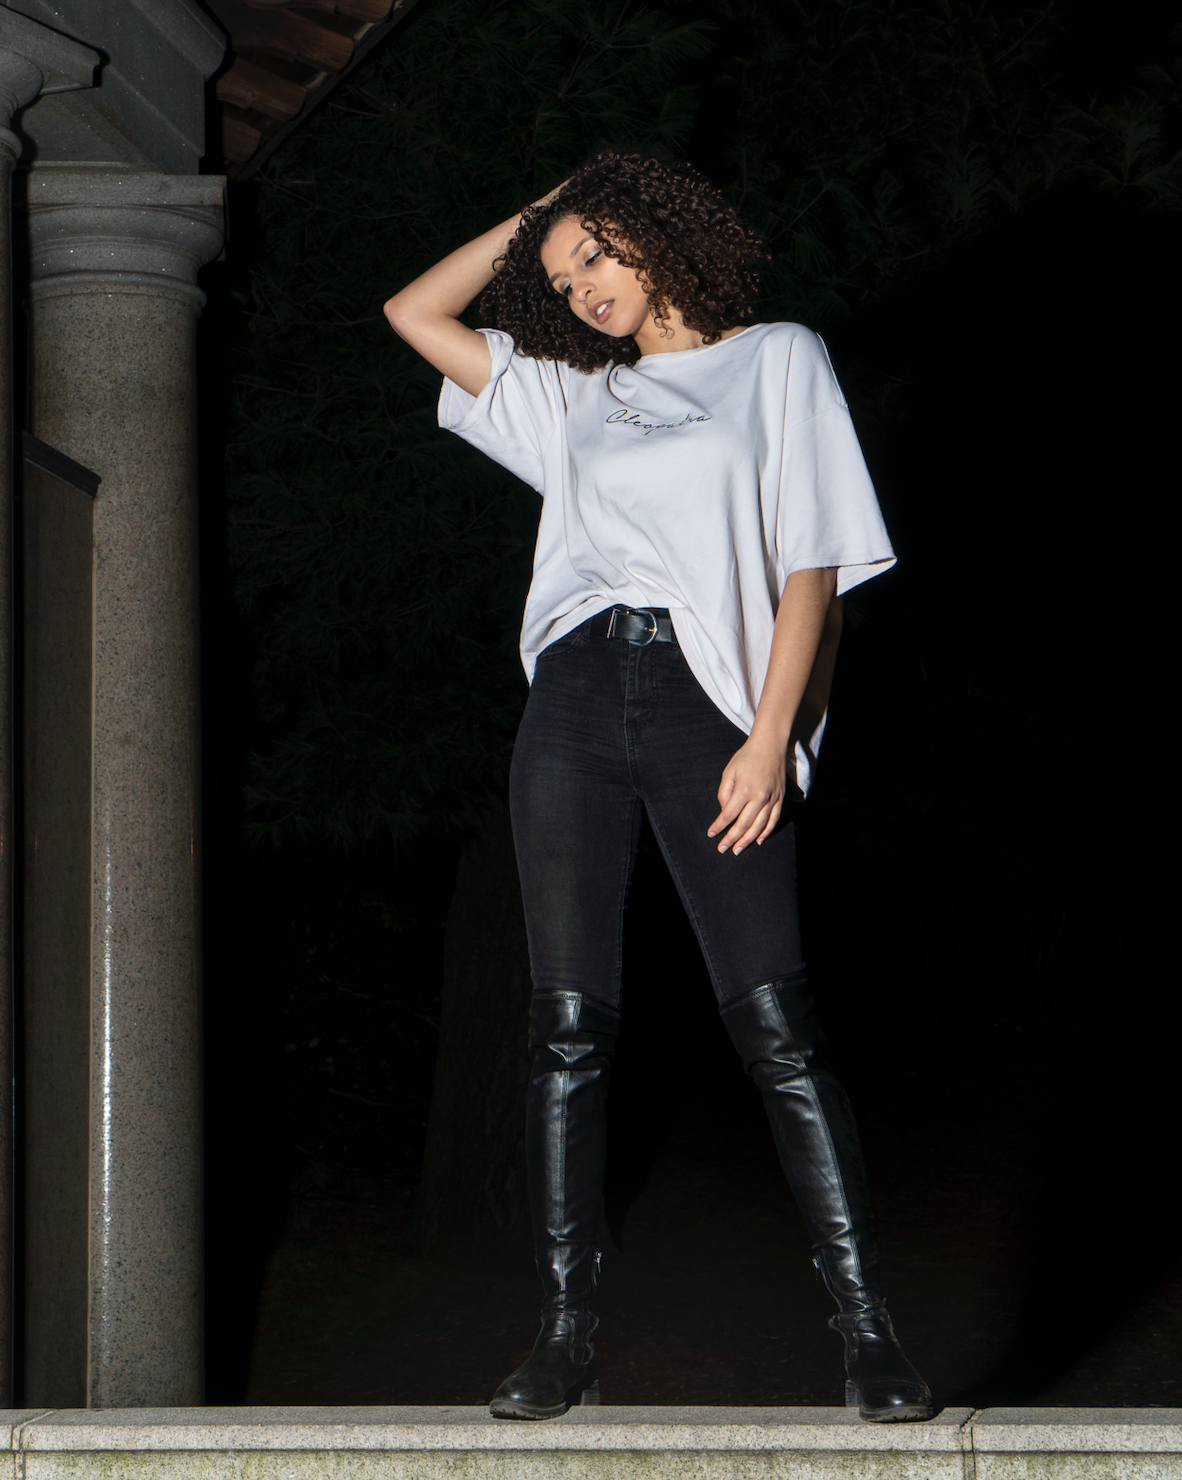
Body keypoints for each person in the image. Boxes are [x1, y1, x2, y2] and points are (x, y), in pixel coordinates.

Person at [384, 151, 933, 1424]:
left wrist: (770, 734)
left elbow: (810, 566)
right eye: (559, 277)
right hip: (574, 703)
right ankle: (564, 1337)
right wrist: (539, 215)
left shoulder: (777, 359)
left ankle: (869, 1335)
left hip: (710, 708)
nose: (578, 287)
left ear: (651, 230)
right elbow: (414, 313)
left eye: (594, 253)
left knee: (778, 1026)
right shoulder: (574, 396)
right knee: (567, 1029)